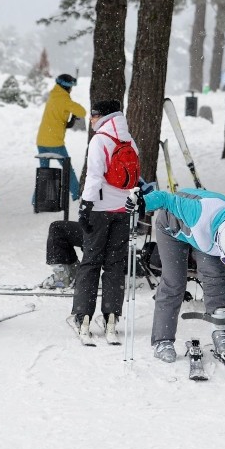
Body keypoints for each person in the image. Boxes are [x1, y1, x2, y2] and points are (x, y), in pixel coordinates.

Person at [135, 187, 225, 363]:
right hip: (173, 228)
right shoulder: (197, 212)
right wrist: (143, 202)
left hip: (204, 235)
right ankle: (163, 341)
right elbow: (164, 198)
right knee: (174, 281)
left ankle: (221, 331)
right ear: (220, 241)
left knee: (215, 274)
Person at [71, 100, 138, 343]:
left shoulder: (100, 140)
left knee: (90, 261)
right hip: (122, 211)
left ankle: (83, 316)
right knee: (114, 264)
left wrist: (85, 206)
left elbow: (94, 176)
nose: (91, 120)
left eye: (94, 115)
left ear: (103, 116)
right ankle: (111, 316)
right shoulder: (129, 140)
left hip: (99, 210)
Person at [35, 74, 86, 202]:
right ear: (67, 87)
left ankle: (37, 200)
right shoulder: (64, 100)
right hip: (55, 143)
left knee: (43, 172)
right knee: (68, 168)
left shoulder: (53, 95)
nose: (72, 90)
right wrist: (74, 114)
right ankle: (76, 194)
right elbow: (82, 111)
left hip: (41, 140)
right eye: (71, 87)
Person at [41, 220, 83, 289]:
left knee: (57, 228)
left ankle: (64, 277)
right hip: (101, 227)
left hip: (101, 228)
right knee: (60, 228)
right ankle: (72, 273)